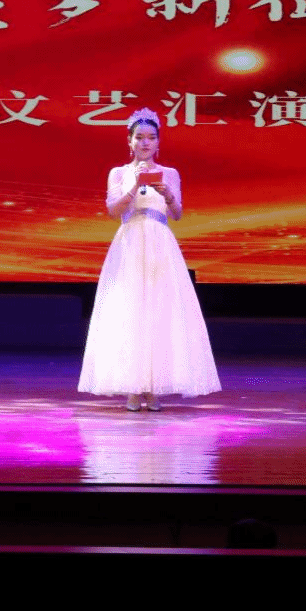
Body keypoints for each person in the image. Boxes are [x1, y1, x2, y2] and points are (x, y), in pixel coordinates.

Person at [78, 107, 221, 410]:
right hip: (130, 242)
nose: (145, 143)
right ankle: (133, 387)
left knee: (159, 310)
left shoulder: (170, 173)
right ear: (129, 141)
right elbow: (113, 211)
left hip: (160, 244)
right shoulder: (118, 173)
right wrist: (134, 187)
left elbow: (177, 213)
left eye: (151, 137)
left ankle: (154, 387)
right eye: (139, 137)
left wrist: (168, 194)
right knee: (130, 310)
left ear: (158, 142)